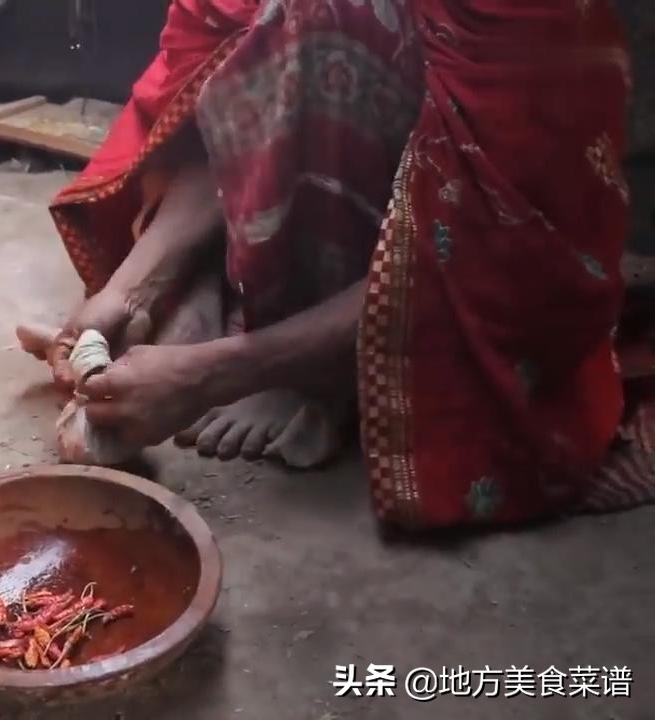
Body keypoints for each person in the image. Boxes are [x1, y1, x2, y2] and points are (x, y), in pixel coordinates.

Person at [35, 0, 638, 528]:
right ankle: (238, 296)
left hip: (470, 218)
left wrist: (215, 376)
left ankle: (319, 364)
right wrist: (135, 286)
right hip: (367, 175)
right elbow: (208, 92)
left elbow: (476, 247)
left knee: (331, 12)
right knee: (268, 22)